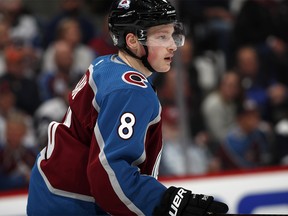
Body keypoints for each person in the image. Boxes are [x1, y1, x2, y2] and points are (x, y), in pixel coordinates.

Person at [27, 0, 229, 215]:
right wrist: (163, 201)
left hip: (53, 189)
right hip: (74, 204)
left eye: (172, 34)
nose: (172, 45)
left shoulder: (106, 64)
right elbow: (109, 171)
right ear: (132, 40)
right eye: (161, 36)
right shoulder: (130, 91)